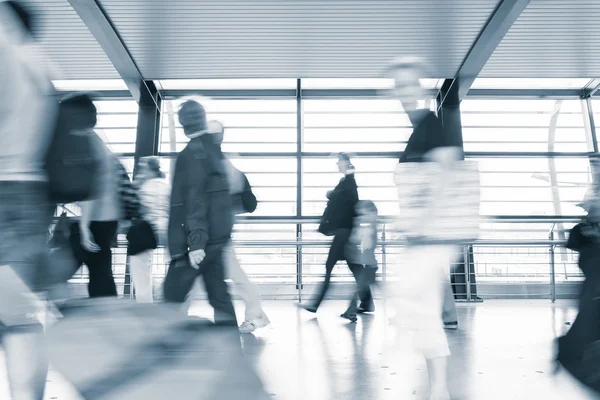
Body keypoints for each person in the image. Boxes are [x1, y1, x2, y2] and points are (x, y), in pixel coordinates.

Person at [386, 56, 464, 400]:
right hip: (424, 237)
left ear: (419, 87)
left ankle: (439, 389)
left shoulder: (430, 123)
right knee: (419, 308)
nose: (402, 93)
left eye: (407, 85)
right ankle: (439, 390)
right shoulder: (421, 126)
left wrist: (422, 220)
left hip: (431, 237)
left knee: (411, 303)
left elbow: (447, 173)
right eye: (397, 87)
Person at [0, 1, 57, 398]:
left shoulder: (5, 53)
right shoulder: (40, 65)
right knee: (17, 314)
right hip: (30, 192)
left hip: (3, 191)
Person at [163, 100, 237, 326]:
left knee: (170, 299)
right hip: (216, 240)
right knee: (220, 298)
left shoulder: (192, 154)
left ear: (184, 124)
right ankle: (232, 353)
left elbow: (195, 200)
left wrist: (196, 244)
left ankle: (166, 354)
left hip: (196, 244)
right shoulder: (214, 151)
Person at [210, 120, 270, 333]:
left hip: (214, 234)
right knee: (235, 278)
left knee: (236, 278)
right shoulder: (222, 164)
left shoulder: (220, 165)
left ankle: (255, 316)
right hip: (212, 233)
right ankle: (256, 315)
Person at [300, 153, 374, 315]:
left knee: (330, 267)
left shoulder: (349, 181)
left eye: (339, 162)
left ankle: (315, 303)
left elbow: (346, 199)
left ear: (346, 163)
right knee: (355, 268)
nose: (336, 164)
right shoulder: (347, 182)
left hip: (343, 232)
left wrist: (331, 194)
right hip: (346, 231)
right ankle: (367, 302)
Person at [67, 94, 124, 298]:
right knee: (101, 272)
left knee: (61, 268)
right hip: (107, 218)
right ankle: (108, 315)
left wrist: (83, 226)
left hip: (94, 220)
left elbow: (90, 187)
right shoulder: (97, 142)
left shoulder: (86, 143)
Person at [128, 156, 170, 303]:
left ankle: (145, 302)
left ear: (149, 169)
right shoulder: (167, 185)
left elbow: (134, 206)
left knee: (140, 270)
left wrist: (137, 183)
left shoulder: (143, 187)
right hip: (166, 228)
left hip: (147, 231)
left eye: (143, 168)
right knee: (174, 266)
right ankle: (165, 292)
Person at [341, 200, 379, 322]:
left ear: (371, 213)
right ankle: (351, 311)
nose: (362, 217)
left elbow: (364, 244)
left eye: (363, 214)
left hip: (368, 265)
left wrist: (358, 229)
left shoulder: (370, 229)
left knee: (358, 289)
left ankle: (350, 312)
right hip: (369, 264)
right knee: (360, 288)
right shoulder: (371, 227)